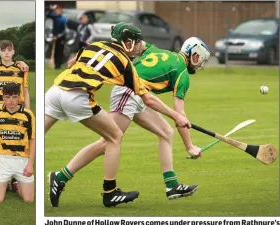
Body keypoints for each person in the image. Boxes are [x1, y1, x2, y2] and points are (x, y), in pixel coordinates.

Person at [45, 23, 190, 208]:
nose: (139, 47)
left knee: (34, 137)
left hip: (54, 92)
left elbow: (70, 63)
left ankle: (54, 177)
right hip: (78, 96)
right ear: (127, 43)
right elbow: (149, 100)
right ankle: (110, 193)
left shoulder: (93, 46)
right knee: (115, 137)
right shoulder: (125, 63)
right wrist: (176, 116)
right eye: (137, 43)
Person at [62, 37, 211, 200]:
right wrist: (189, 146)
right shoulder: (183, 73)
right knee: (108, 141)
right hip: (128, 92)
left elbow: (134, 42)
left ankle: (172, 186)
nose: (200, 65)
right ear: (195, 55)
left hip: (139, 94)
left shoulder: (159, 50)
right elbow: (180, 114)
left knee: (166, 132)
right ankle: (61, 177)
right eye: (201, 60)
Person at [0, 83, 35, 203]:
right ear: (3, 97)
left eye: (14, 97)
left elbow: (33, 140)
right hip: (3, 160)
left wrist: (30, 164)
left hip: (22, 160)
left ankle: (15, 185)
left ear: (19, 97)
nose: (11, 100)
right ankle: (9, 183)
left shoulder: (28, 115)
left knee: (29, 200)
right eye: (8, 97)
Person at [0, 40, 31, 108]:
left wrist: (28, 112)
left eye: (9, 50)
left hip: (17, 107)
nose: (6, 53)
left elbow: (26, 93)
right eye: (3, 50)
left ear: (13, 52)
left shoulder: (21, 69)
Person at [46, 4, 68, 69]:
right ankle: (55, 64)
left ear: (60, 11)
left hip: (61, 38)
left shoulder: (63, 19)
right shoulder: (55, 17)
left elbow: (65, 30)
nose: (57, 12)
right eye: (56, 10)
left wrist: (58, 36)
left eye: (58, 10)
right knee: (55, 52)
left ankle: (59, 65)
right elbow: (47, 14)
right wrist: (52, 9)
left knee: (60, 52)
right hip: (55, 37)